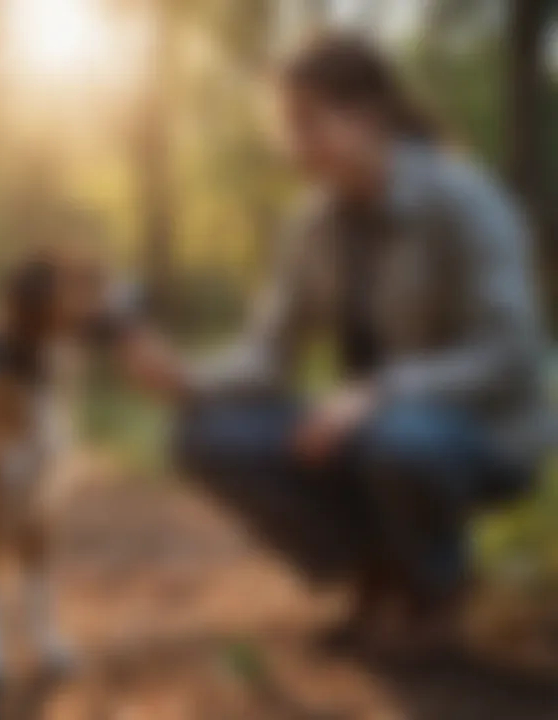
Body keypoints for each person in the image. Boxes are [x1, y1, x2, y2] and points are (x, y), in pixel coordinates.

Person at [117, 33, 548, 655]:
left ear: (369, 114)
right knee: (206, 432)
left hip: (479, 433)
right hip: (369, 427)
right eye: (286, 129)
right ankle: (375, 571)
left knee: (402, 436)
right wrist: (187, 376)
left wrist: (377, 392)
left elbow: (512, 351)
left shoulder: (465, 201)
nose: (293, 149)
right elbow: (269, 352)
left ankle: (435, 587)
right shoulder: (310, 225)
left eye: (306, 124)